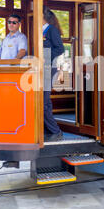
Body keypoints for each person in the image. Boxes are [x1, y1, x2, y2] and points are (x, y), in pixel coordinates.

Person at [42, 8, 65, 142]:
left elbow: (60, 48)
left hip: (49, 68)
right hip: (42, 69)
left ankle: (56, 131)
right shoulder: (43, 30)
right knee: (44, 101)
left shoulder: (51, 30)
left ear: (43, 16)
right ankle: (48, 130)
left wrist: (46, 57)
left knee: (44, 101)